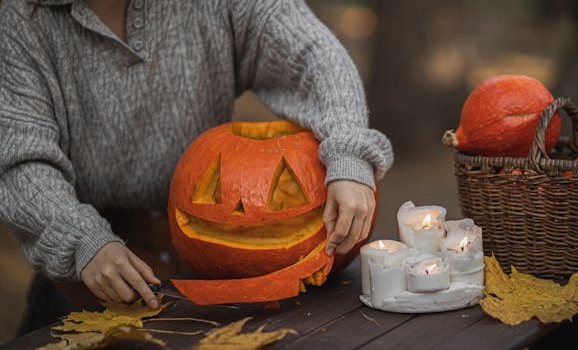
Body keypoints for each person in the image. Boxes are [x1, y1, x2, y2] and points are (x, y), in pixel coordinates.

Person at [0, 0, 393, 334]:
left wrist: (349, 150)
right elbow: (20, 159)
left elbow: (312, 52)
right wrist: (80, 240)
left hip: (212, 274)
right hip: (87, 277)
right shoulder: (19, 19)